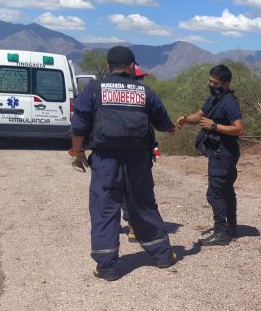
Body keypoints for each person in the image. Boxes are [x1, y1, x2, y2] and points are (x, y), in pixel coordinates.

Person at [70, 46, 177, 281]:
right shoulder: (145, 92)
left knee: (105, 210)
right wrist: (175, 125)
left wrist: (77, 152)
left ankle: (107, 267)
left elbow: (79, 125)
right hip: (138, 160)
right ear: (132, 67)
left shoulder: (94, 89)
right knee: (143, 206)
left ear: (109, 66)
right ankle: (162, 256)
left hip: (105, 160)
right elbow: (164, 124)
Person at [177, 65, 245, 246]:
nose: (211, 84)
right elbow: (199, 116)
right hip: (219, 152)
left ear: (226, 83)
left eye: (215, 82)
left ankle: (221, 232)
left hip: (224, 153)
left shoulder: (229, 101)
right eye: (210, 81)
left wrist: (215, 126)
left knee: (215, 193)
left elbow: (239, 128)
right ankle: (231, 227)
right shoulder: (214, 98)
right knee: (226, 191)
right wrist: (185, 119)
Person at [121, 63, 159, 243]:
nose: (142, 81)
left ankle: (134, 224)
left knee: (125, 188)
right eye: (140, 78)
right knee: (136, 188)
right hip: (137, 151)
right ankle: (135, 226)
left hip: (130, 150)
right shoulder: (144, 96)